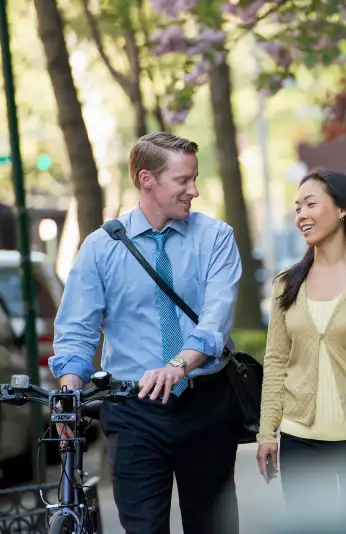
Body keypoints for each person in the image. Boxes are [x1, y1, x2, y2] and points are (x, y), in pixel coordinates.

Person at [51, 132, 243, 534]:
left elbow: (215, 320)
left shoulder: (216, 238)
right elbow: (76, 330)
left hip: (205, 404)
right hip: (133, 409)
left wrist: (178, 365)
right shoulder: (100, 248)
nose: (194, 190)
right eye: (183, 181)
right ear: (146, 179)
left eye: (195, 178)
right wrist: (68, 391)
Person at [256, 168, 346, 513]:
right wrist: (266, 434)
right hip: (299, 441)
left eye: (310, 204)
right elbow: (276, 361)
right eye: (296, 208)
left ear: (342, 209)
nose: (301, 215)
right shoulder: (287, 285)